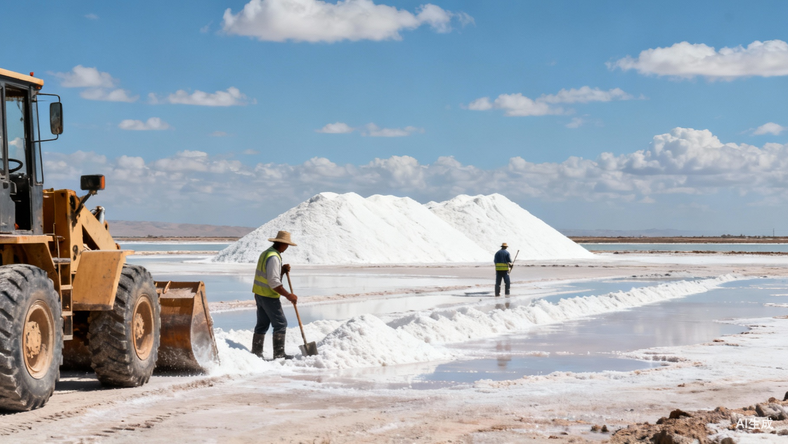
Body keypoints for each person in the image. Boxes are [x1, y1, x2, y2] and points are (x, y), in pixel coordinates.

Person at [250, 230, 298, 360]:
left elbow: (269, 276)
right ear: (281, 243)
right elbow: (273, 282)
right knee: (281, 324)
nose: (287, 247)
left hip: (260, 294)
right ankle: (279, 354)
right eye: (286, 245)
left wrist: (282, 271)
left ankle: (256, 353)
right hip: (269, 297)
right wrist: (289, 296)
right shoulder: (274, 257)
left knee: (262, 324)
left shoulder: (266, 253)